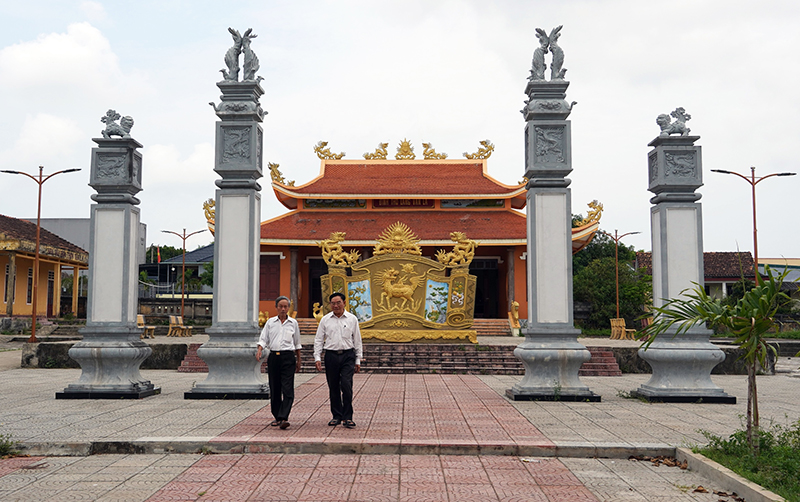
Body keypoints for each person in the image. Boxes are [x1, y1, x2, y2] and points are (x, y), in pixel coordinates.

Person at [314, 292, 363, 428]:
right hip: (331, 355)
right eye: (333, 303)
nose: (335, 306)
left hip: (348, 355)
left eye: (338, 303)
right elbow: (319, 339)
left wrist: (358, 359)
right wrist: (317, 357)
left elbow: (357, 340)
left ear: (344, 303)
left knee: (346, 385)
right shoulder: (325, 320)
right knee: (333, 386)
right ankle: (336, 415)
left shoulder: (352, 319)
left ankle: (348, 417)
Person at [256, 296, 301, 430]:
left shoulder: (293, 323)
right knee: (275, 388)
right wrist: (259, 350)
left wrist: (299, 360)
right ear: (276, 307)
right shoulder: (270, 322)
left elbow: (297, 343)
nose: (283, 309)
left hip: (288, 357)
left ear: (288, 308)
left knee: (287, 388)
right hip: (274, 357)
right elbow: (263, 339)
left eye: (285, 306)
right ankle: (277, 416)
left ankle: (284, 416)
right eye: (280, 306)